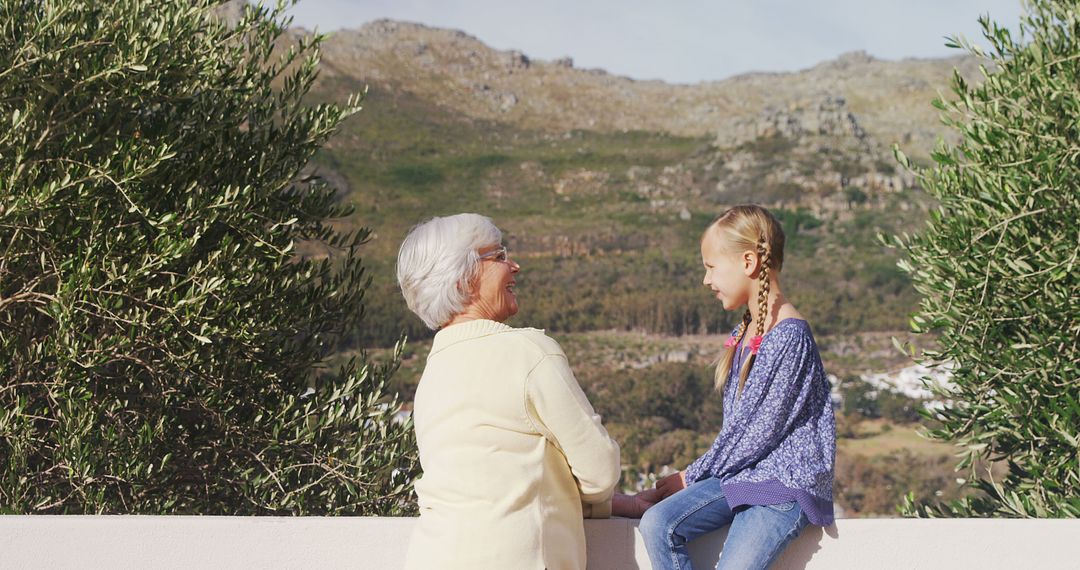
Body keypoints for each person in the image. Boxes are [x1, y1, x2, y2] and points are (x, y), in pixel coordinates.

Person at [397, 213, 656, 570]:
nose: (515, 266)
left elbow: (492, 481)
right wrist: (598, 501)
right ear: (464, 278)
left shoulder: (433, 371)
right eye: (500, 256)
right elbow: (599, 469)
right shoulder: (529, 351)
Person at [639, 204, 836, 570]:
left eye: (711, 267)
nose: (706, 280)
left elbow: (756, 434)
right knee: (657, 523)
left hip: (780, 488)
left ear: (748, 262)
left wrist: (690, 475)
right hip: (742, 476)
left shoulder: (790, 337)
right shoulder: (745, 332)